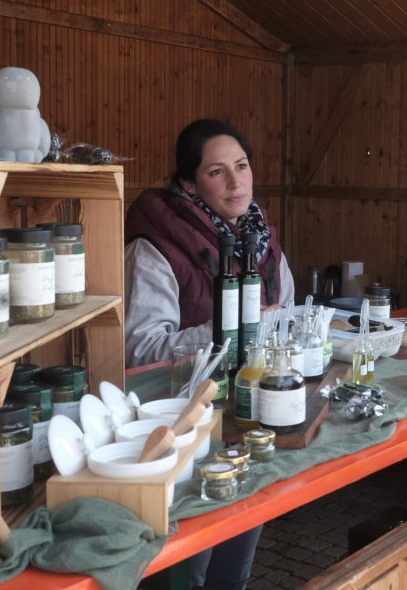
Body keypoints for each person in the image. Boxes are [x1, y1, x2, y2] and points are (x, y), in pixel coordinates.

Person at [125, 118, 294, 590]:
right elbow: (140, 348)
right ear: (188, 183)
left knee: (235, 565)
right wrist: (229, 330)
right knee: (187, 567)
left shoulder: (262, 242)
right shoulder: (155, 246)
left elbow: (286, 316)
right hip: (181, 426)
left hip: (249, 419)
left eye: (242, 166)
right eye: (217, 172)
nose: (236, 182)